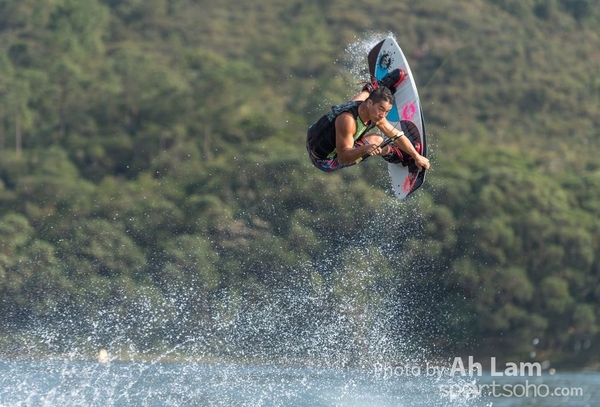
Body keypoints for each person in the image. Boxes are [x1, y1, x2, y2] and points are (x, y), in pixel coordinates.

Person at [306, 69, 430, 173]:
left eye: (387, 111)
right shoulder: (347, 121)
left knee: (358, 100)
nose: (383, 115)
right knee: (377, 140)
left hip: (315, 135)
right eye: (381, 109)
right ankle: (394, 153)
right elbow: (343, 157)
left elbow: (396, 135)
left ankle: (373, 88)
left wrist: (416, 156)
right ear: (370, 103)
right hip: (324, 160)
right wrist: (365, 149)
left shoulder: (372, 111)